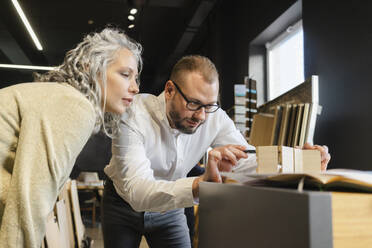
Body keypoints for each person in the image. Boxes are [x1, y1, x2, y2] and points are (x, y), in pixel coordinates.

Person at [102, 55, 331, 248]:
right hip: (123, 204)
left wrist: (295, 159)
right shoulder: (133, 115)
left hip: (170, 209)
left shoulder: (215, 117)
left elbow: (246, 159)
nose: (201, 116)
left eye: (209, 105)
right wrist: (198, 185)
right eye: (194, 104)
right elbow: (138, 192)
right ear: (170, 90)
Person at [0, 27, 142, 248]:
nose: (135, 87)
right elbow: (28, 203)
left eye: (136, 78)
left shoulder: (60, 96)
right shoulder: (74, 104)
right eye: (125, 74)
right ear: (91, 68)